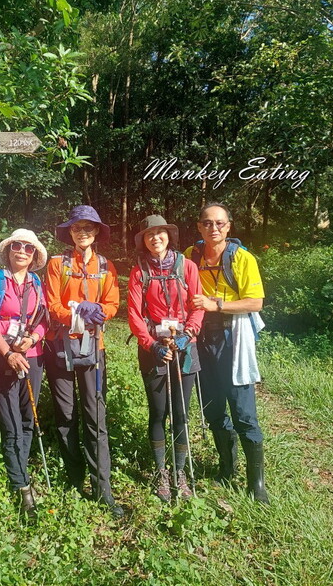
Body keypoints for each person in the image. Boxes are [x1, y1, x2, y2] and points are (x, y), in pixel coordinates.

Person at [186, 203, 270, 504]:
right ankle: (226, 467)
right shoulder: (190, 256)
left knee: (243, 410)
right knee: (212, 407)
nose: (213, 228)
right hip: (200, 337)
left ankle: (256, 483)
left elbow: (255, 302)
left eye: (219, 223)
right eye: (207, 223)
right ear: (199, 227)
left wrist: (217, 305)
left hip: (232, 337)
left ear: (229, 226)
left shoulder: (243, 259)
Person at [44, 205, 124, 518]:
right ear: (71, 232)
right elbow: (52, 304)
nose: (83, 232)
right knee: (66, 414)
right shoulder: (56, 264)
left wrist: (99, 312)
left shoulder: (106, 265)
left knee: (95, 414)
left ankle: (102, 488)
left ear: (96, 232)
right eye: (78, 228)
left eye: (89, 227)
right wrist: (75, 313)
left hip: (94, 348)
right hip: (61, 346)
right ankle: (74, 479)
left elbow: (113, 303)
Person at [127, 215, 204, 502]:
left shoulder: (188, 267)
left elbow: (198, 304)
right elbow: (134, 314)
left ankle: (180, 472)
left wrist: (189, 333)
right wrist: (150, 345)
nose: (155, 238)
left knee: (182, 413)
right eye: (149, 235)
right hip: (154, 350)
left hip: (185, 347)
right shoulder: (138, 272)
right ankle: (161, 471)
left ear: (168, 236)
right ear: (144, 241)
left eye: (160, 233)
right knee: (158, 412)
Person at [0, 229, 49, 514]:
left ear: (34, 256)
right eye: (17, 246)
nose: (22, 251)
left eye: (28, 248)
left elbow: (43, 319)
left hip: (32, 356)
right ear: (9, 250)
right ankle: (22, 486)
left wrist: (31, 340)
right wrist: (7, 353)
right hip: (2, 358)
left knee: (28, 419)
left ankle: (21, 472)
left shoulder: (36, 283)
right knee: (11, 425)